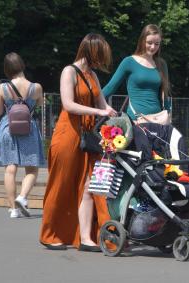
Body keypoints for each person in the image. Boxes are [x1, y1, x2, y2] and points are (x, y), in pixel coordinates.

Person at [39, 33, 117, 251]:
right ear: (91, 51)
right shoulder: (69, 71)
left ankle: (85, 237)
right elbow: (69, 105)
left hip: (87, 136)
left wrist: (110, 113)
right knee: (61, 183)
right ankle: (50, 233)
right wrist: (100, 110)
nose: (102, 61)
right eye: (100, 56)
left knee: (88, 187)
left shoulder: (92, 75)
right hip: (68, 134)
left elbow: (102, 103)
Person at [0, 52, 45, 218]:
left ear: (7, 69)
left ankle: (13, 210)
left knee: (10, 169)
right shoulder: (36, 87)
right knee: (32, 168)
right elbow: (39, 104)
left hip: (8, 129)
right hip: (28, 129)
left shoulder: (3, 88)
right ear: (22, 65)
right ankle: (22, 197)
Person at [102, 24, 170, 121]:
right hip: (136, 120)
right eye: (149, 43)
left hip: (158, 120)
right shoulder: (129, 62)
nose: (153, 47)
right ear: (142, 41)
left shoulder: (162, 64)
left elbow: (165, 95)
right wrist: (91, 105)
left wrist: (167, 116)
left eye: (157, 44)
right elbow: (110, 88)